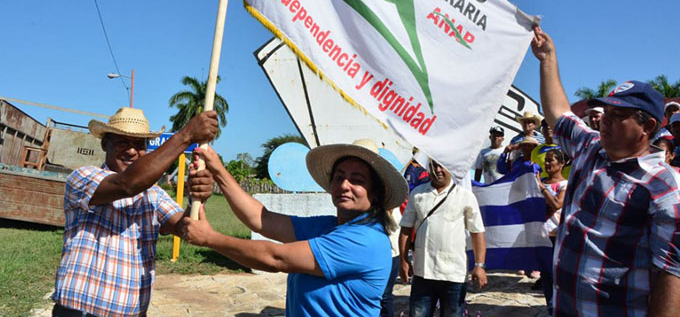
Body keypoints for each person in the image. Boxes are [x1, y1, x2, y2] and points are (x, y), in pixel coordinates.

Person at [531, 26, 680, 316]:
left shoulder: (665, 189)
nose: (605, 122)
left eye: (618, 116)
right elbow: (560, 114)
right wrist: (547, 59)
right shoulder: (591, 148)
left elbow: (670, 275)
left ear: (647, 127)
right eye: (606, 114)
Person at [181, 139, 409, 317]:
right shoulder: (329, 226)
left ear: (375, 192)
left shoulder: (365, 240)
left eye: (357, 180)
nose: (344, 185)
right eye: (339, 177)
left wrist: (209, 239)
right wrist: (218, 169)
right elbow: (262, 219)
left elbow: (276, 259)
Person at [51, 107, 218, 317]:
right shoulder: (83, 177)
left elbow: (184, 228)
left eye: (139, 145)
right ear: (105, 144)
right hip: (79, 312)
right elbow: (127, 184)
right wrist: (186, 136)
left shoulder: (154, 194)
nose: (131, 151)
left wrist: (196, 198)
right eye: (123, 142)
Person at [398, 158, 487, 317]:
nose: (438, 170)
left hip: (454, 275)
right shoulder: (418, 194)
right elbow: (405, 228)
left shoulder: (465, 196)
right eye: (434, 165)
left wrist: (479, 265)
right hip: (423, 273)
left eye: (442, 166)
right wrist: (403, 260)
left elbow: (477, 232)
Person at [534, 148, 568, 314]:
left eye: (550, 160)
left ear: (561, 164)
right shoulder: (539, 182)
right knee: (546, 275)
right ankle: (550, 308)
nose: (546, 164)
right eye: (545, 160)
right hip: (541, 235)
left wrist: (541, 187)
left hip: (556, 235)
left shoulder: (564, 184)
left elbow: (556, 204)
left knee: (556, 276)